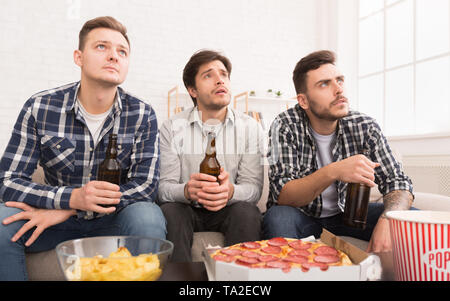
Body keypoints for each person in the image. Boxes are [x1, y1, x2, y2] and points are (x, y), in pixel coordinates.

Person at [0, 16, 166, 280]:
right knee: (2, 220)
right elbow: (8, 181)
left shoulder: (143, 114)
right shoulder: (40, 107)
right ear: (79, 57)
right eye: (102, 47)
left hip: (113, 219)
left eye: (122, 51)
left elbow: (145, 186)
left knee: (147, 216)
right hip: (55, 220)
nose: (114, 56)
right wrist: (69, 199)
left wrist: (75, 206)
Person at [263, 50, 414, 253]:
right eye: (324, 84)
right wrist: (334, 171)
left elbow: (397, 181)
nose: (339, 90)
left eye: (340, 80)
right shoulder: (285, 125)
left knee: (412, 220)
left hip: (348, 215)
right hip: (301, 215)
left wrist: (389, 219)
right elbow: (283, 195)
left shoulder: (364, 126)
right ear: (303, 101)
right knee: (278, 216)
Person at [158, 50, 264, 262]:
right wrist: (188, 190)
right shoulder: (171, 127)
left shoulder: (251, 128)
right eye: (208, 75)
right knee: (170, 211)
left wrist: (230, 191)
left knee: (247, 212)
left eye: (223, 74)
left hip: (229, 209)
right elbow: (163, 189)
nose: (219, 80)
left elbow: (254, 189)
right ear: (192, 90)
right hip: (186, 208)